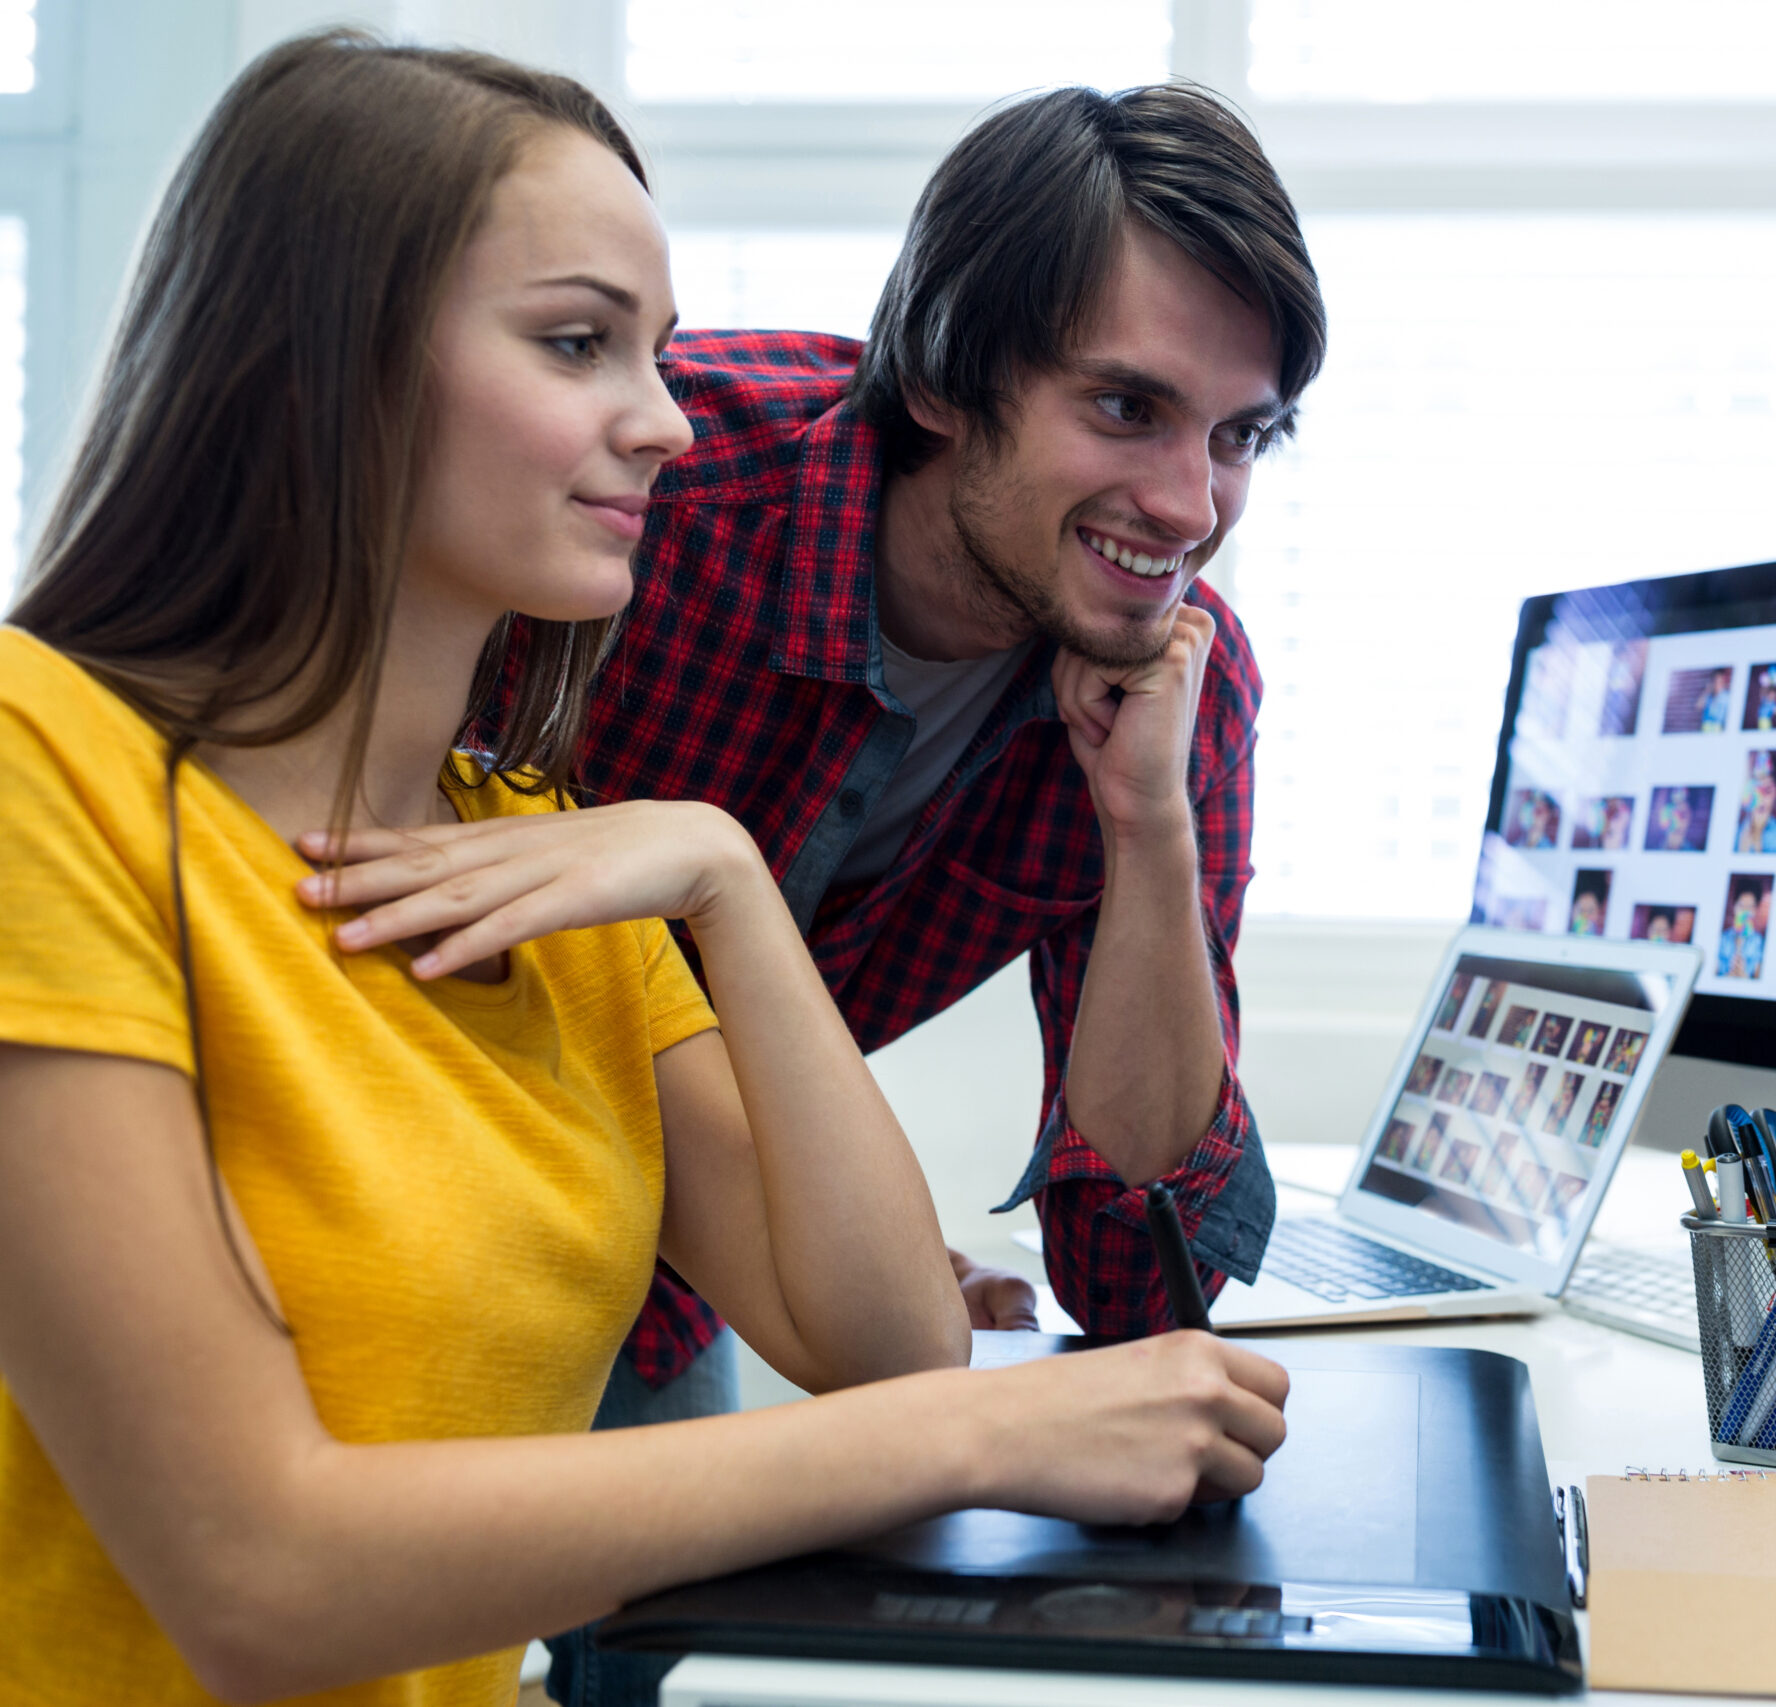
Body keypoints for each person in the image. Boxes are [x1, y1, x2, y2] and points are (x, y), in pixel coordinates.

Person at [0, 36, 1288, 1707]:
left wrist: (725, 878)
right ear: (332, 365)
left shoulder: (547, 845)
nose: (667, 422)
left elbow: (900, 1345)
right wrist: (977, 1434)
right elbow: (257, 1572)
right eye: (576, 343)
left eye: (658, 351)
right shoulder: (44, 770)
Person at [1735, 751, 1776, 854]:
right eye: (1756, 789)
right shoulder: (1732, 832)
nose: (1760, 798)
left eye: (1767, 790)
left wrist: (1757, 835)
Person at [1717, 890, 1767, 979]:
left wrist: (1743, 975)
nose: (1745, 911)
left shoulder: (1760, 942)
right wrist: (1729, 976)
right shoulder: (1722, 938)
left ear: (1755, 910)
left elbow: (1758, 977)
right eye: (1741, 906)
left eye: (1749, 907)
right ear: (1734, 907)